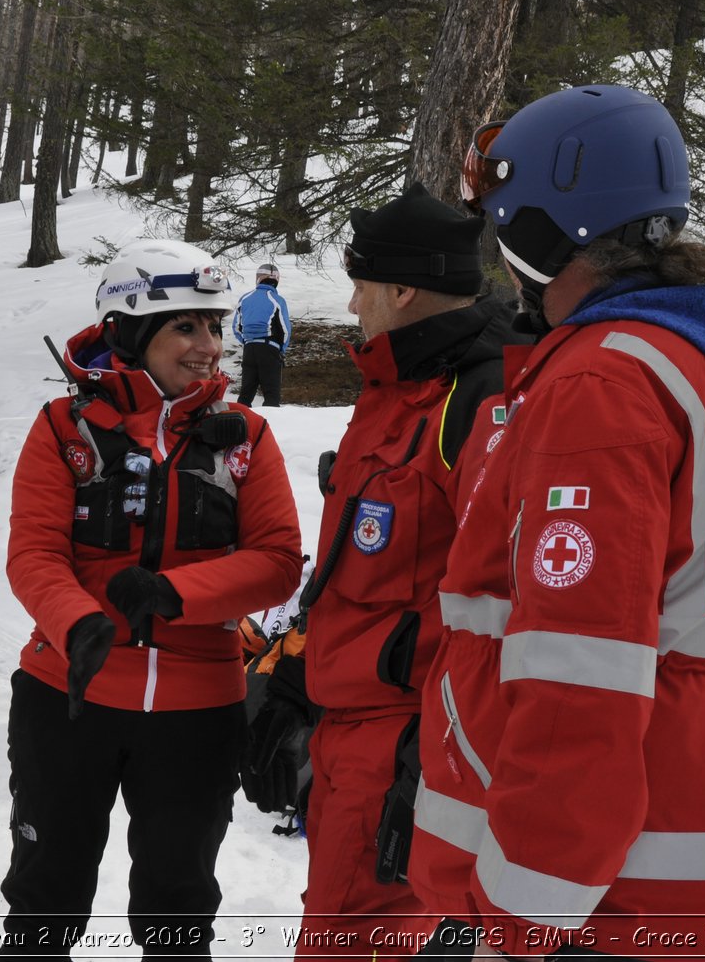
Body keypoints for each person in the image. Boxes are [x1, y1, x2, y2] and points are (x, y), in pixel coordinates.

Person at [409, 86, 705, 959]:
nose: (501, 251)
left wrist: (522, 913)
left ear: (548, 230)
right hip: (629, 866)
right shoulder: (676, 358)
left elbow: (583, 670)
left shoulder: (601, 386)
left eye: (506, 223)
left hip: (590, 899)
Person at [240, 184, 528, 960]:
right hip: (349, 733)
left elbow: (505, 605)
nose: (354, 301)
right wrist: (298, 673)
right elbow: (354, 572)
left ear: (403, 289)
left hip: (407, 747)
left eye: (362, 283)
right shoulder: (393, 387)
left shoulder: (480, 401)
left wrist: (433, 758)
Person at [0, 239, 303, 959]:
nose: (209, 346)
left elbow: (278, 561)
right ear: (129, 333)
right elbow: (34, 553)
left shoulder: (248, 439)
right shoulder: (61, 429)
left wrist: (169, 593)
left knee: (178, 910)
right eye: (185, 326)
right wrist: (78, 626)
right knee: (44, 899)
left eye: (214, 326)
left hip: (198, 713)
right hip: (66, 700)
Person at [232, 263, 291, 407]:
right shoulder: (277, 300)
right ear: (276, 280)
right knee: (271, 395)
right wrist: (281, 349)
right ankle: (270, 425)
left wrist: (248, 341)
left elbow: (236, 327)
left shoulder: (244, 299)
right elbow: (285, 329)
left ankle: (241, 424)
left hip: (249, 350)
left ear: (258, 279)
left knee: (245, 394)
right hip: (270, 349)